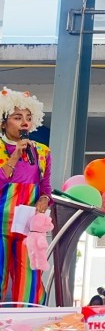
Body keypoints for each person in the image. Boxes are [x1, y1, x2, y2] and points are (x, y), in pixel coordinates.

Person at [0, 87, 51, 304]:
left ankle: (30, 319)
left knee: (29, 279)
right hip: (0, 222)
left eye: (28, 118)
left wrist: (45, 199)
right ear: (3, 123)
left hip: (27, 225)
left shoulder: (42, 151)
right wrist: (14, 157)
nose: (24, 123)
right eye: (17, 117)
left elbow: (46, 186)